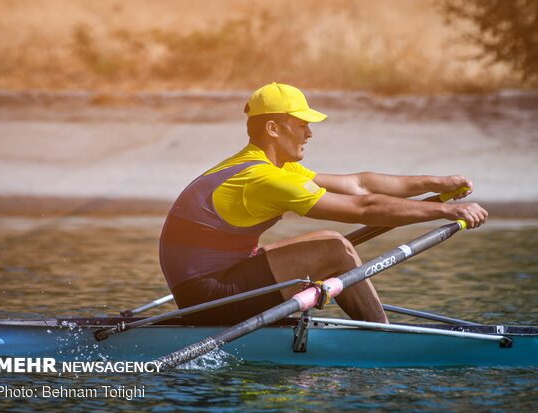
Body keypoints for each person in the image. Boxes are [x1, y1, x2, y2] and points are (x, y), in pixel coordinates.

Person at [159, 83, 487, 325]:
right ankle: (382, 339)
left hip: (213, 284)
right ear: (273, 128)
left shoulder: (269, 166)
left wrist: (435, 184)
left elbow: (360, 185)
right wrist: (446, 211)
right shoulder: (264, 178)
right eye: (301, 124)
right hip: (208, 297)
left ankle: (369, 329)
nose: (309, 133)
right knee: (333, 247)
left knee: (326, 241)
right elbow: (365, 209)